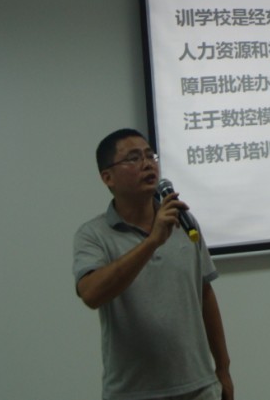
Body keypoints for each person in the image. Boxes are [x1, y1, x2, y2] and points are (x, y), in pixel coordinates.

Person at [72, 128, 233, 400]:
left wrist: (223, 369)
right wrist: (152, 242)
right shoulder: (93, 235)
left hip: (200, 388)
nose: (147, 164)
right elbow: (91, 294)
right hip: (133, 393)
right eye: (134, 158)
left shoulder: (183, 222)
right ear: (107, 177)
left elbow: (205, 293)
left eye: (150, 156)